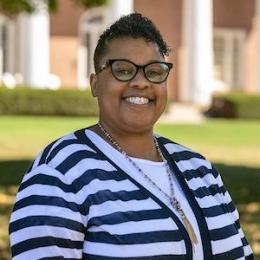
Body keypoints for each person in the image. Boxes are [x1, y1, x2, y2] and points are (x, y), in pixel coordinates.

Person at [9, 13, 253, 259]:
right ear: (95, 84)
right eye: (123, 70)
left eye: (154, 72)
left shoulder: (200, 169)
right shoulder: (61, 171)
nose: (141, 82)